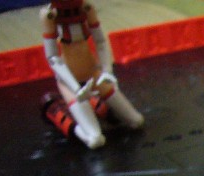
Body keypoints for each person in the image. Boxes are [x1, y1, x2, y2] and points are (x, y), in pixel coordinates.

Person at [41, 0, 143, 148]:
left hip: (93, 73)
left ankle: (95, 105)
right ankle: (62, 116)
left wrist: (107, 71)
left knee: (136, 121)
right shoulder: (50, 16)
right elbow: (52, 58)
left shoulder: (86, 8)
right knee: (95, 140)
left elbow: (100, 42)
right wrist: (76, 88)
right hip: (69, 81)